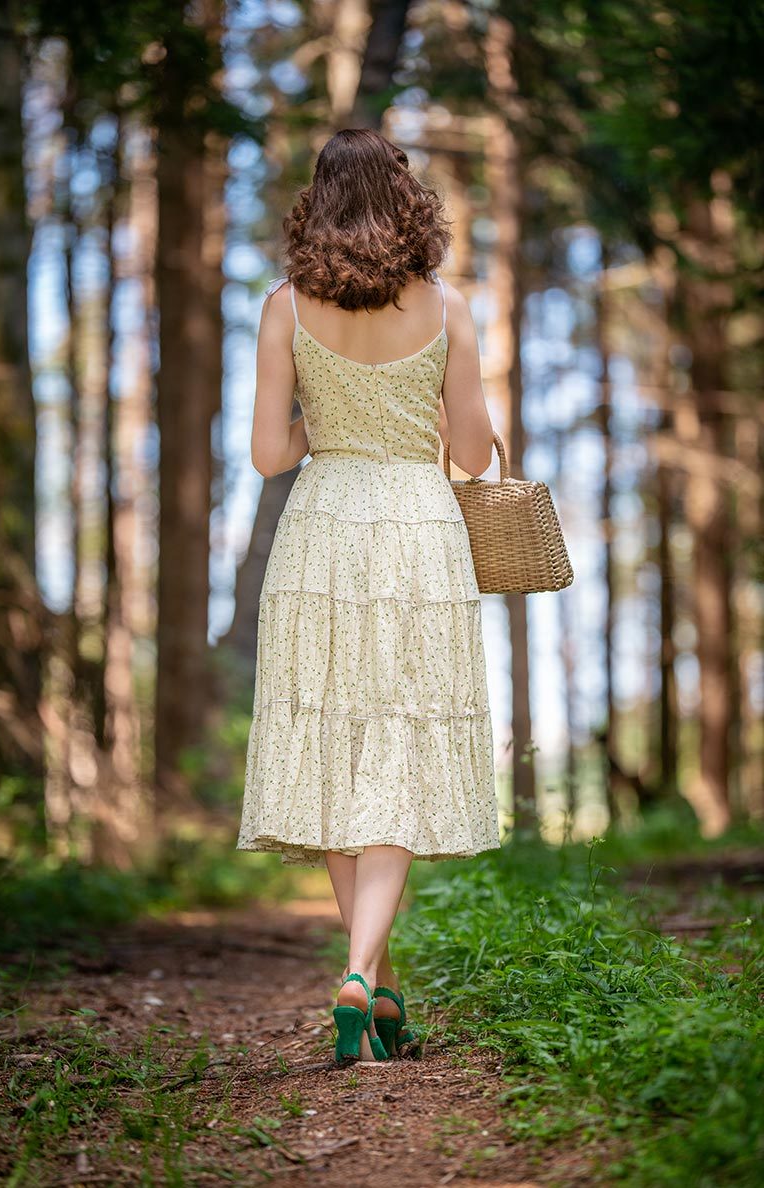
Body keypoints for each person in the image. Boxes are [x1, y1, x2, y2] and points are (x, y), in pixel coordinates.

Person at [236, 128, 500, 1065]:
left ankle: (375, 987)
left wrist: (325, 417)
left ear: (318, 202)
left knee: (343, 751)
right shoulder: (446, 308)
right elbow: (473, 455)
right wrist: (420, 409)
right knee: (395, 745)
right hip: (416, 531)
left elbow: (269, 455)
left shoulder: (285, 307)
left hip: (322, 530)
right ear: (405, 202)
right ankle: (362, 975)